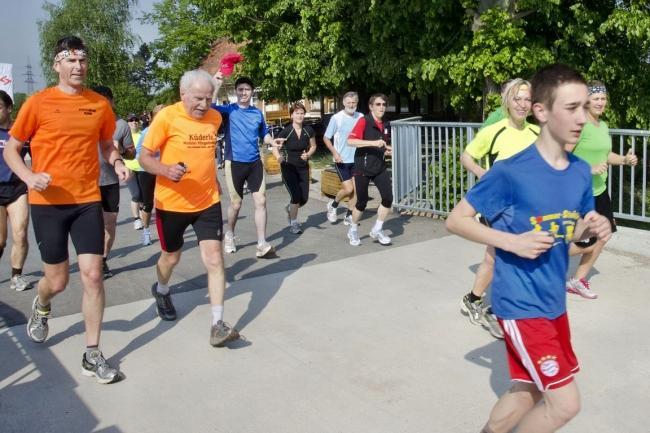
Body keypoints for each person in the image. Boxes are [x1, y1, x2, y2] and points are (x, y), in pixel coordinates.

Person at [446, 64, 612, 433]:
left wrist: (591, 228)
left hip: (553, 301)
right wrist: (512, 242)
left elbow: (570, 235)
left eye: (585, 107)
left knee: (527, 392)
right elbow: (456, 220)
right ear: (541, 111)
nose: (582, 117)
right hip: (521, 305)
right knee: (566, 404)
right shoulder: (511, 171)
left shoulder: (580, 171)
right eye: (571, 108)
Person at [4, 36, 130, 384]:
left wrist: (117, 162)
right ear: (57, 65)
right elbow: (12, 149)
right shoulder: (38, 103)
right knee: (57, 281)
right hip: (48, 204)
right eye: (70, 61)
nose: (78, 67)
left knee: (92, 274)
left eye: (83, 61)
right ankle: (42, 306)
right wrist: (29, 176)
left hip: (87, 199)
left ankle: (92, 353)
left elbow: (107, 141)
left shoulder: (98, 104)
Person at [139, 69, 239, 347]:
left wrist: (214, 181)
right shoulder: (167, 117)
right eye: (197, 99)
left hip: (207, 201)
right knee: (171, 257)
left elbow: (206, 155)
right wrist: (165, 169)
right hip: (171, 203)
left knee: (215, 259)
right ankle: (161, 290)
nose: (203, 105)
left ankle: (217, 324)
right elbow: (144, 157)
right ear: (182, 94)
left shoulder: (215, 118)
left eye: (208, 99)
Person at [458, 79, 539, 339]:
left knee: (499, 256)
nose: (522, 104)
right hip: (498, 205)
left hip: (526, 206)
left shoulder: (537, 134)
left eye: (527, 99)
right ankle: (493, 308)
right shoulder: (495, 130)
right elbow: (466, 156)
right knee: (503, 253)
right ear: (507, 101)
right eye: (517, 99)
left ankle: (475, 299)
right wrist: (484, 174)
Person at [565, 80, 637, 299]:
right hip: (578, 192)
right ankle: (542, 255)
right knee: (575, 238)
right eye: (596, 98)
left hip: (599, 191)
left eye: (603, 98)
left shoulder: (602, 126)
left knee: (603, 236)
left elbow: (606, 155)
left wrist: (624, 159)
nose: (600, 102)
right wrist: (589, 169)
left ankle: (577, 280)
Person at [211, 72, 284, 258]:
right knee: (236, 204)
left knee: (261, 201)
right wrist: (216, 86)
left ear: (252, 92)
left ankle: (261, 243)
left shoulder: (257, 113)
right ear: (236, 92)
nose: (244, 92)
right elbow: (210, 108)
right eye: (241, 89)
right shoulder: (229, 111)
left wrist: (272, 142)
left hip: (254, 163)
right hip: (234, 163)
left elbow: (264, 134)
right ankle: (229, 234)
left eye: (247, 89)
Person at [91, 86, 135, 278]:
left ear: (111, 101)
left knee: (109, 223)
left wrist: (122, 151)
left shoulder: (121, 125)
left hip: (109, 181)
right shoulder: (84, 121)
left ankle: (102, 259)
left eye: (105, 99)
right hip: (87, 182)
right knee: (91, 225)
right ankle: (91, 260)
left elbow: (132, 152)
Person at [346, 93, 393, 246]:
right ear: (371, 106)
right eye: (378, 104)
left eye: (384, 104)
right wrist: (373, 143)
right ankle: (353, 229)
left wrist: (387, 150)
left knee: (388, 198)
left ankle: (377, 229)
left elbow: (382, 144)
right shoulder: (364, 121)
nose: (382, 107)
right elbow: (351, 141)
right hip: (362, 167)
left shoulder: (386, 124)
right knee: (362, 202)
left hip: (379, 166)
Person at [0, 90, 31, 291]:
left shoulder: (21, 132)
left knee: (20, 233)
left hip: (18, 188)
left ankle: (16, 276)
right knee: (0, 241)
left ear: (9, 108)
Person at [271, 102, 316, 234]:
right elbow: (275, 146)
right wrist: (279, 157)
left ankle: (291, 208)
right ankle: (294, 223)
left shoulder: (309, 130)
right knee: (296, 196)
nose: (300, 116)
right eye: (297, 113)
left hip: (303, 167)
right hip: (288, 167)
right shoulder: (286, 131)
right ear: (291, 115)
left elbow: (313, 146)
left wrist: (308, 154)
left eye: (302, 113)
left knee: (304, 198)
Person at [323, 91, 363, 225]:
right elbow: (326, 138)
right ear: (344, 103)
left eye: (354, 103)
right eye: (349, 102)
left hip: (357, 159)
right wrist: (335, 153)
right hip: (342, 160)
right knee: (348, 189)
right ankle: (333, 205)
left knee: (356, 190)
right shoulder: (337, 118)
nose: (351, 105)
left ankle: (349, 215)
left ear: (357, 103)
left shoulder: (361, 117)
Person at [134, 105, 165, 246]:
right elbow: (138, 153)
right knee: (148, 203)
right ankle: (146, 231)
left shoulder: (170, 131)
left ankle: (166, 230)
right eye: (158, 116)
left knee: (165, 201)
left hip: (164, 170)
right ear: (152, 118)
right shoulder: (147, 132)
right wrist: (153, 156)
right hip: (147, 171)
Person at [124, 113, 144, 230]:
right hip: (130, 168)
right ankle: (136, 219)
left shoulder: (143, 134)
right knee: (136, 194)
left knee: (143, 196)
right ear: (128, 123)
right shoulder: (125, 136)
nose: (134, 122)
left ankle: (143, 218)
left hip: (143, 168)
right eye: (131, 120)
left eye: (136, 119)